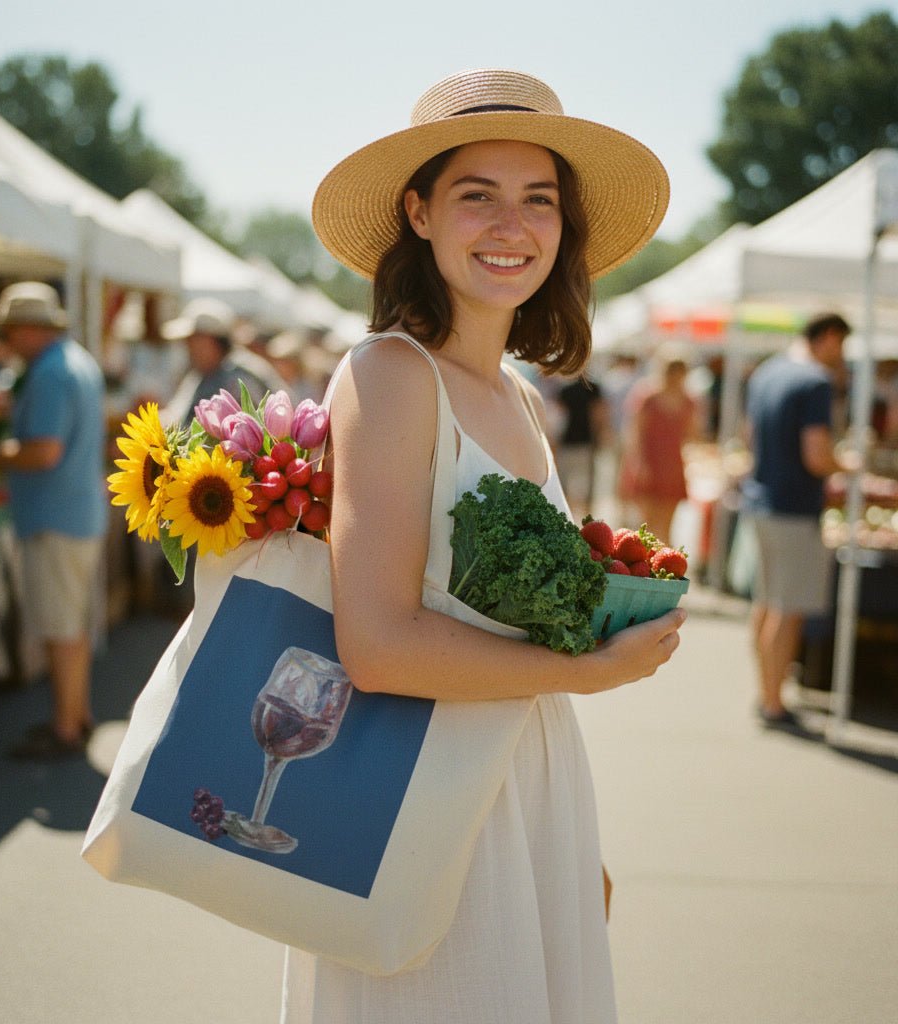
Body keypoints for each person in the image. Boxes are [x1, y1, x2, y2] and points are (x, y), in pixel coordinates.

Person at [284, 68, 686, 1023]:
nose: (514, 225)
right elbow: (375, 644)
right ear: (419, 212)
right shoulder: (389, 374)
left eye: (538, 199)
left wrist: (573, 846)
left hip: (529, 786)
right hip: (414, 801)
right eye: (479, 195)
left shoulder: (519, 398)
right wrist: (589, 672)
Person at [0, 282, 106, 759]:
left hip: (55, 518)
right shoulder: (74, 362)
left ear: (29, 330)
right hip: (77, 513)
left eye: (12, 331)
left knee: (61, 628)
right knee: (73, 627)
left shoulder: (50, 372)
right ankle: (77, 715)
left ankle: (66, 727)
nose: (9, 340)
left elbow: (44, 450)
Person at [741, 312, 855, 728]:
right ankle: (773, 702)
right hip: (793, 507)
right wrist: (848, 464)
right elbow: (817, 455)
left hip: (762, 499)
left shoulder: (768, 372)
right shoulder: (815, 383)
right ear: (828, 337)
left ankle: (765, 692)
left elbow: (749, 436)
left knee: (766, 604)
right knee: (787, 611)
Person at [618, 346, 698, 545]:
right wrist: (638, 464)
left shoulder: (688, 400)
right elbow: (634, 432)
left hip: (672, 465)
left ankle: (664, 569)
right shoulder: (647, 396)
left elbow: (692, 434)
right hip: (650, 464)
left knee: (669, 525)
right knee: (647, 524)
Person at [159, 298, 281, 427]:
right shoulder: (200, 375)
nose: (187, 348)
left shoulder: (239, 377)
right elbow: (175, 416)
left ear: (210, 340)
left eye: (191, 340)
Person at [544, 373, 610, 523]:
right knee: (587, 489)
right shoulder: (593, 387)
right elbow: (599, 414)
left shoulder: (565, 389)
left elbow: (557, 418)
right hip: (585, 443)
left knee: (566, 486)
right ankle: (587, 524)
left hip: (568, 443)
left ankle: (569, 520)